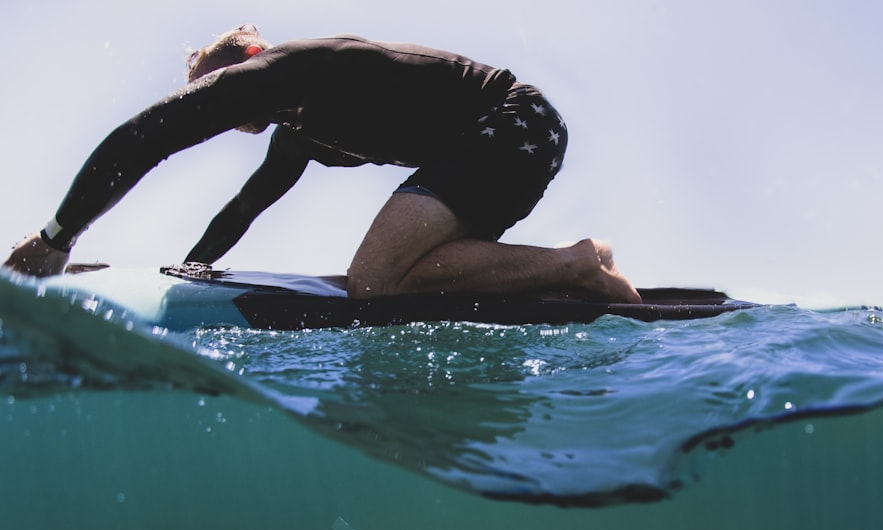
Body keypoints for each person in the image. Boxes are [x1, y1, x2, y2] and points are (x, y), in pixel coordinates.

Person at [2, 25, 640, 303]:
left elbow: (147, 133)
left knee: (374, 281)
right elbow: (244, 208)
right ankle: (586, 268)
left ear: (248, 56)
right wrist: (190, 273)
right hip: (505, 141)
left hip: (512, 121)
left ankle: (575, 261)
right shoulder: (297, 131)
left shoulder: (287, 69)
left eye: (211, 85)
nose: (212, 102)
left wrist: (57, 237)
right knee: (420, 275)